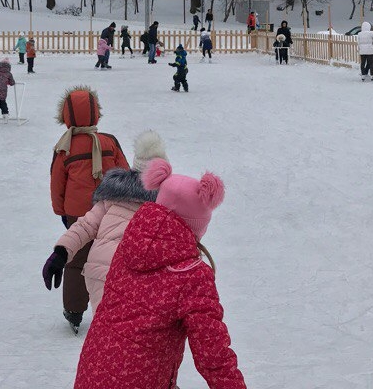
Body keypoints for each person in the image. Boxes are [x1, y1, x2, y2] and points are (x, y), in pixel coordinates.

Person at [73, 159, 246, 389]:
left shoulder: (128, 245)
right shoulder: (191, 275)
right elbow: (213, 354)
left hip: (93, 372)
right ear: (196, 225)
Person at [42, 131, 166, 310]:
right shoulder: (168, 205)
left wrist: (61, 253)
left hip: (100, 273)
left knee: (107, 332)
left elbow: (85, 225)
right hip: (139, 277)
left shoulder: (112, 196)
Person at [49, 87, 129, 333]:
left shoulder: (64, 148)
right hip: (112, 210)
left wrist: (61, 211)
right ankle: (117, 304)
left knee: (75, 260)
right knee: (112, 257)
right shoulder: (109, 141)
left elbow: (57, 183)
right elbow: (125, 172)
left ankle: (74, 310)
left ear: (66, 116)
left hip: (77, 212)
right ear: (96, 114)